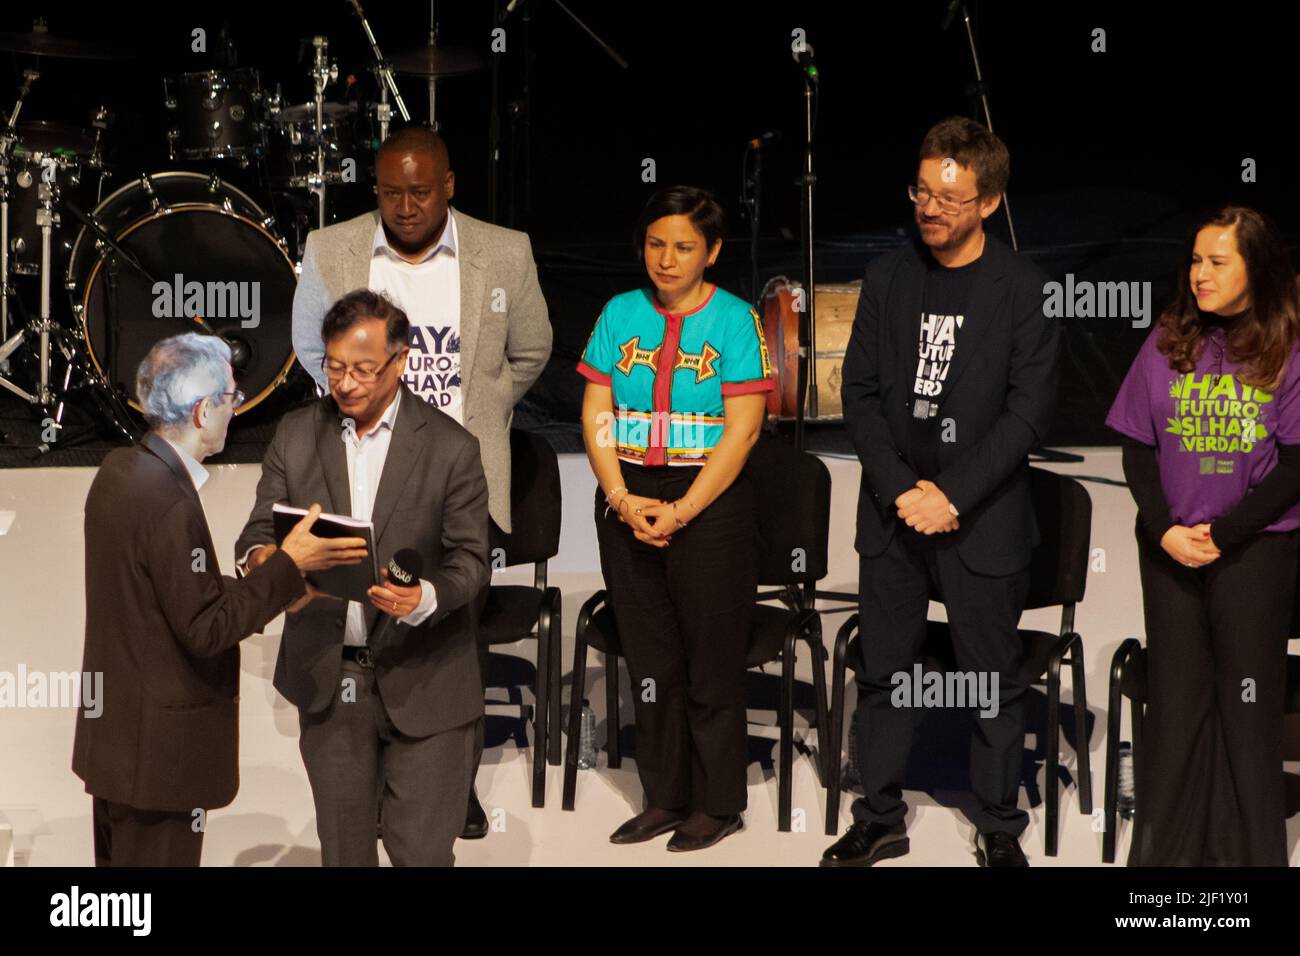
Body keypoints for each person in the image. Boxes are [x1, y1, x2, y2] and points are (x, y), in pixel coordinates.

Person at [291, 126, 551, 837]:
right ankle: (369, 768)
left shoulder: (504, 250)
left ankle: (445, 780)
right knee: (362, 613)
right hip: (362, 467)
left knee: (452, 628)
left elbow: (532, 349)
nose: (404, 206)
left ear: (449, 186)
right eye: (390, 192)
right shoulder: (331, 248)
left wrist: (487, 404)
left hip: (457, 476)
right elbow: (312, 349)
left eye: (420, 191)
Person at [824, 117, 1059, 868]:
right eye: (922, 192)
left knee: (990, 682)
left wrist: (950, 495)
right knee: (885, 674)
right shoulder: (889, 276)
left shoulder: (1024, 289)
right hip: (894, 519)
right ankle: (881, 815)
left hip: (980, 519)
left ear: (988, 201)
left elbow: (1027, 415)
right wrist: (902, 493)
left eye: (949, 198)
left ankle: (996, 824)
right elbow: (857, 394)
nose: (930, 209)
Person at [72, 332, 366, 866]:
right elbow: (206, 627)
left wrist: (274, 588)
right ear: (204, 411)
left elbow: (170, 596)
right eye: (231, 399)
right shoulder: (168, 503)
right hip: (161, 762)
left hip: (118, 748)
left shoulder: (118, 472)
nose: (236, 410)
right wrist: (288, 564)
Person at [237, 289, 489, 866]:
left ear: (400, 362)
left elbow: (472, 560)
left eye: (362, 369)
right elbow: (255, 536)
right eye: (334, 367)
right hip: (331, 681)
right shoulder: (296, 435)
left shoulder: (452, 448)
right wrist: (271, 572)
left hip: (428, 679)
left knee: (420, 852)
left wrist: (424, 596)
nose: (345, 383)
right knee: (345, 854)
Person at [577, 185, 772, 851]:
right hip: (627, 497)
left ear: (712, 253)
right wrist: (623, 499)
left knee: (709, 658)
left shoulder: (737, 321)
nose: (666, 258)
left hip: (710, 504)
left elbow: (743, 433)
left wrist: (683, 509)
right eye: (657, 244)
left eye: (684, 247)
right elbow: (596, 412)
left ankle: (716, 802)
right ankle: (663, 794)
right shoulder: (619, 312)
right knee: (650, 657)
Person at [1106, 206, 1300, 866]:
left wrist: (1224, 533)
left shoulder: (1287, 345)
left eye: (1218, 262)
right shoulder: (1169, 336)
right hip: (1169, 552)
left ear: (1257, 268)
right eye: (1194, 260)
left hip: (1254, 551)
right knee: (1178, 710)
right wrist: (1165, 531)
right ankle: (1171, 870)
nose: (1200, 274)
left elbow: (1297, 465)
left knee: (1247, 712)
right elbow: (1136, 446)